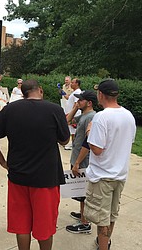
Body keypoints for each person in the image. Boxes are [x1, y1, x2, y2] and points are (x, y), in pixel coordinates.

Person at [0, 79, 70, 250]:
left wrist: (3, 162)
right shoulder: (55, 110)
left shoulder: (11, 109)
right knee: (45, 227)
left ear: (23, 93)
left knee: (21, 225)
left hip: (18, 176)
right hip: (46, 179)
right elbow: (65, 140)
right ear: (40, 90)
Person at [84, 79, 136, 250]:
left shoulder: (101, 117)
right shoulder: (129, 115)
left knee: (101, 219)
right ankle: (104, 243)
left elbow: (97, 149)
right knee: (111, 215)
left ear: (100, 94)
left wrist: (89, 131)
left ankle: (103, 246)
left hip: (103, 176)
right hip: (120, 174)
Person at [64, 90, 97, 234]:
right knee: (79, 189)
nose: (78, 101)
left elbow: (88, 143)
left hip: (83, 160)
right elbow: (67, 121)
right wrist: (75, 108)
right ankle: (82, 214)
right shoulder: (83, 115)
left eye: (80, 100)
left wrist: (77, 163)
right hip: (77, 157)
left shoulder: (92, 117)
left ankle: (85, 223)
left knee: (83, 191)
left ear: (89, 103)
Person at [64, 78, 82, 150]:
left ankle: (74, 144)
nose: (71, 84)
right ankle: (73, 144)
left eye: (73, 82)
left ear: (77, 84)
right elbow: (69, 98)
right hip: (70, 113)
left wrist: (72, 113)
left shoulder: (78, 92)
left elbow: (76, 104)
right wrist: (63, 93)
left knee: (73, 130)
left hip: (74, 114)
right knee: (71, 130)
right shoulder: (74, 92)